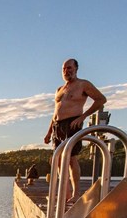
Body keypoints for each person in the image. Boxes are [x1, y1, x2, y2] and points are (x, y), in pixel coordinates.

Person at [43, 59, 107, 203]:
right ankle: (65, 193)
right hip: (57, 126)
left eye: (70, 68)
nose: (67, 71)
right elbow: (55, 112)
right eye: (64, 68)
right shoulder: (59, 89)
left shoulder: (83, 85)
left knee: (71, 159)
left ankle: (76, 194)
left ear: (76, 68)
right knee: (58, 159)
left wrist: (83, 117)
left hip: (72, 123)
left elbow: (101, 99)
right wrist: (48, 132)